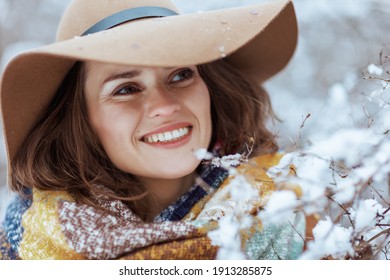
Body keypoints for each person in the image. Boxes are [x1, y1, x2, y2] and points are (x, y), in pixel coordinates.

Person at [0, 0, 311, 260]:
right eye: (125, 89)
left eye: (180, 75)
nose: (164, 105)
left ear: (211, 87)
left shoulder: (305, 214)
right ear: (78, 121)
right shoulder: (25, 250)